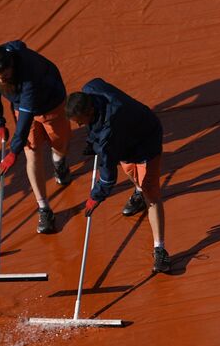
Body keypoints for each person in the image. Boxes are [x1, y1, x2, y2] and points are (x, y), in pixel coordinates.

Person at [65, 79, 170, 274]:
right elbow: (96, 82)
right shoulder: (91, 89)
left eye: (80, 120)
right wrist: (91, 139)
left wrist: (95, 197)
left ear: (89, 112)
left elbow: (107, 177)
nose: (78, 124)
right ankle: (138, 192)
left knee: (151, 193)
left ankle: (160, 249)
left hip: (145, 142)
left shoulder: (108, 133)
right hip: (126, 140)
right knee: (131, 173)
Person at [0, 41, 72, 233]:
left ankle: (58, 161)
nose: (1, 81)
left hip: (50, 103)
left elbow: (28, 111)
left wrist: (14, 150)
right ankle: (44, 207)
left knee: (59, 142)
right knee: (33, 152)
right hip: (21, 105)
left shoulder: (31, 71)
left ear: (12, 65)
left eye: (5, 76)